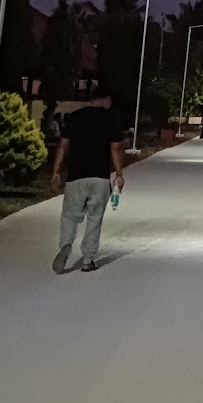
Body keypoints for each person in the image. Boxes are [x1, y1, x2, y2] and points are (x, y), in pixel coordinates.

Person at [50, 87, 125, 274]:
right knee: (94, 218)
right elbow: (115, 149)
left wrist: (56, 171)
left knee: (69, 215)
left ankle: (66, 245)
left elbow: (63, 146)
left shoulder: (74, 118)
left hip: (76, 176)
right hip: (99, 177)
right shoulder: (110, 119)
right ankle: (88, 259)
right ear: (105, 99)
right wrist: (119, 174)